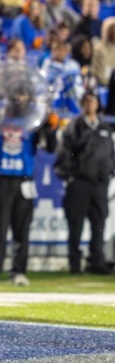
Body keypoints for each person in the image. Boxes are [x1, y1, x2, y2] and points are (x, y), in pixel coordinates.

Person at [0, 66, 57, 287]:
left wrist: (51, 126)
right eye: (16, 94)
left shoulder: (34, 123)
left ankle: (19, 271)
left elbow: (50, 147)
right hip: (2, 178)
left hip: (24, 180)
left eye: (24, 95)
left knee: (22, 228)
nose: (20, 98)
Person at [54, 92, 115, 275]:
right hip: (79, 182)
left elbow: (110, 154)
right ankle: (74, 263)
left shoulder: (105, 128)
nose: (90, 104)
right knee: (76, 224)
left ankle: (96, 261)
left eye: (93, 100)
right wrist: (70, 176)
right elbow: (64, 154)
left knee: (99, 223)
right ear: (82, 104)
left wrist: (109, 172)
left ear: (98, 104)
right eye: (87, 100)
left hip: (100, 183)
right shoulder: (74, 127)